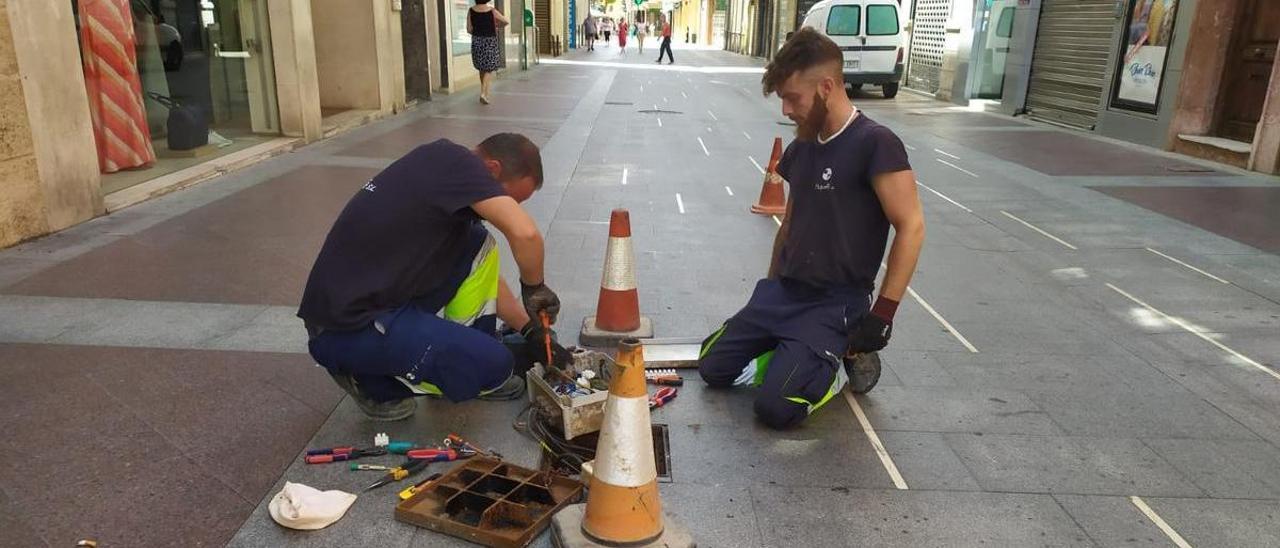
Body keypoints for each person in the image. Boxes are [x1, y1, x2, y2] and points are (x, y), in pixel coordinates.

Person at [697, 28, 925, 430]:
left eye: (793, 98)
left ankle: (835, 367)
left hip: (834, 303)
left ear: (826, 87)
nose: (786, 109)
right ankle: (794, 352)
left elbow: (911, 227)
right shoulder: (802, 146)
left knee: (776, 409)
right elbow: (790, 222)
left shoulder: (876, 144)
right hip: (784, 292)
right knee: (712, 366)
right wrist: (769, 286)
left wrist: (883, 313)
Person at [299, 134, 572, 421]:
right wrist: (535, 288)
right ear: (492, 169)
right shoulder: (461, 164)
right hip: (346, 328)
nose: (509, 208)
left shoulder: (441, 166)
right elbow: (525, 234)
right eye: (510, 199)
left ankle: (466, 356)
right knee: (498, 365)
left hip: (377, 301)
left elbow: (477, 267)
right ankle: (367, 379)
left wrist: (531, 331)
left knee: (477, 242)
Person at [467, 0, 508, 104]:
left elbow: (469, 29)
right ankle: (483, 93)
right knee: (489, 67)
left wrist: (477, 31)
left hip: (477, 41)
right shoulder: (492, 10)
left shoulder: (471, 11)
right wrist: (497, 26)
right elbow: (505, 21)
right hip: (489, 41)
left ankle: (485, 93)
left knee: (482, 68)